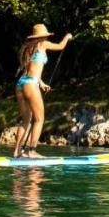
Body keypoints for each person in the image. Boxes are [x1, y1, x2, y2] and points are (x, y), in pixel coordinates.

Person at [11, 23, 72, 158]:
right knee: (39, 119)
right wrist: (67, 37)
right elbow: (60, 46)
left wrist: (41, 83)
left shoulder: (28, 47)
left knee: (26, 120)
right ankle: (31, 151)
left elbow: (31, 69)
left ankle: (17, 152)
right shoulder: (43, 44)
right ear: (44, 35)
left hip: (21, 84)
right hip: (30, 84)